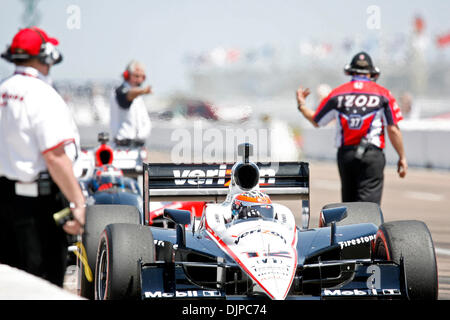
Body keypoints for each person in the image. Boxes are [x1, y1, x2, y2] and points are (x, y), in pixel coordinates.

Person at [0, 27, 85, 287]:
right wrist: (78, 203)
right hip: (38, 209)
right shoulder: (43, 95)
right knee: (41, 286)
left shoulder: (3, 90)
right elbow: (55, 157)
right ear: (47, 55)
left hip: (4, 201)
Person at [295, 51, 407, 205]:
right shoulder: (383, 94)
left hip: (346, 155)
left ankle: (350, 228)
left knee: (349, 206)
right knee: (369, 208)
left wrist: (301, 105)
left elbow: (316, 120)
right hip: (372, 155)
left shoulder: (338, 94)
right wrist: (402, 157)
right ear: (372, 73)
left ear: (351, 71)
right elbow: (393, 129)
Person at [110, 60, 152, 147]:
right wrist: (142, 91)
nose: (139, 80)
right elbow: (127, 98)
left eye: (142, 77)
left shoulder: (138, 97)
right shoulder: (119, 92)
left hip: (138, 146)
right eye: (136, 76)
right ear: (127, 75)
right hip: (122, 146)